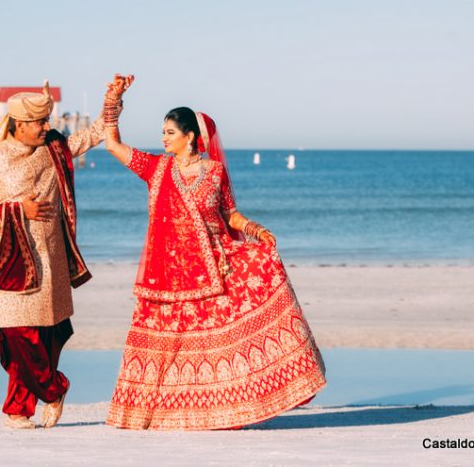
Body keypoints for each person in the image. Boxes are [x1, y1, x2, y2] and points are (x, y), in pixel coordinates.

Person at [102, 76, 326, 430]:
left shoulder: (215, 172)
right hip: (168, 276)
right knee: (165, 348)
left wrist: (255, 229)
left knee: (218, 344)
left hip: (215, 268)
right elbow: (112, 144)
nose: (164, 138)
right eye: (163, 132)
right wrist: (112, 100)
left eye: (170, 132)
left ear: (191, 137)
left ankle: (227, 410)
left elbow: (228, 214)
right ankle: (156, 413)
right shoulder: (156, 169)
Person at [0, 79, 127, 429]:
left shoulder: (55, 147)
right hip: (11, 261)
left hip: (51, 259)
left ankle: (17, 409)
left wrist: (113, 98)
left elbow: (97, 131)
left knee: (44, 337)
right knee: (13, 336)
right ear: (19, 125)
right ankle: (54, 389)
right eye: (40, 123)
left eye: (46, 122)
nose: (46, 128)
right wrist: (18, 209)